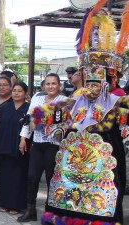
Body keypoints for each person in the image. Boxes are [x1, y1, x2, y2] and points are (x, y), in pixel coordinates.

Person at [38, 7, 127, 223]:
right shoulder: (77, 101)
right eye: (89, 78)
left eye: (98, 79)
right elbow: (44, 118)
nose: (93, 85)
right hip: (74, 165)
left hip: (103, 164)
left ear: (109, 79)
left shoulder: (119, 101)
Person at [17, 74, 68, 222]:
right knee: (32, 177)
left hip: (54, 145)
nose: (51, 86)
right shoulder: (37, 99)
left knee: (51, 178)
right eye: (48, 84)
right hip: (38, 143)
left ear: (59, 85)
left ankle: (50, 213)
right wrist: (23, 139)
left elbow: (67, 125)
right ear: (44, 85)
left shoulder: (64, 101)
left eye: (54, 84)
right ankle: (30, 210)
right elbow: (28, 119)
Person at [0, 82, 30, 215]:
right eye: (14, 90)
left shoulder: (28, 108)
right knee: (4, 176)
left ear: (25, 94)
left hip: (19, 149)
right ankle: (4, 202)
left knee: (18, 177)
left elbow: (29, 127)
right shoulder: (5, 107)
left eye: (20, 91)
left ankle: (16, 205)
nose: (16, 93)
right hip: (3, 146)